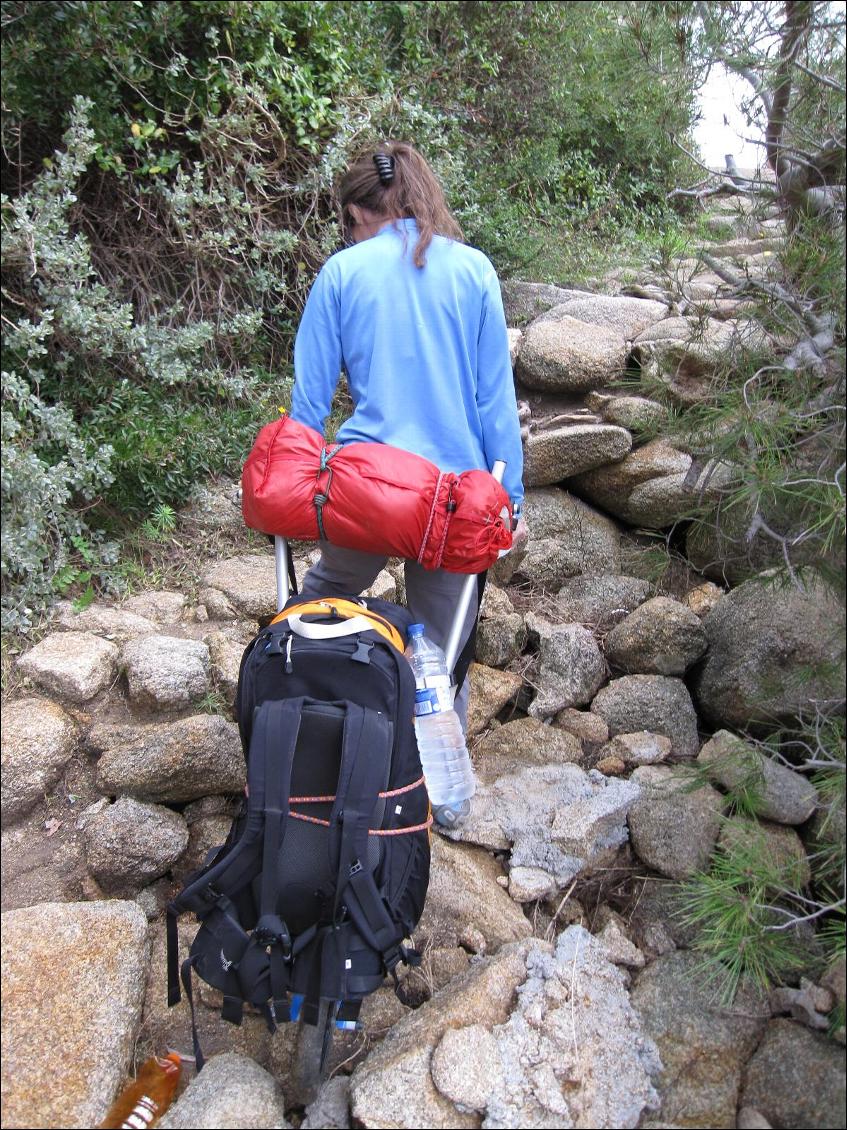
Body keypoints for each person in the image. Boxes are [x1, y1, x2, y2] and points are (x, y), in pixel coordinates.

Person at [290, 141, 525, 729]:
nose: (348, 234)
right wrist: (510, 500)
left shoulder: (342, 272)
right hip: (456, 496)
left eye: (348, 220)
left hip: (371, 487)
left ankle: (304, 716)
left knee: (320, 604)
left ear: (360, 212)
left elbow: (308, 408)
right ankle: (438, 787)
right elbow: (495, 400)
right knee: (444, 653)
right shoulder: (474, 271)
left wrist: (295, 489)